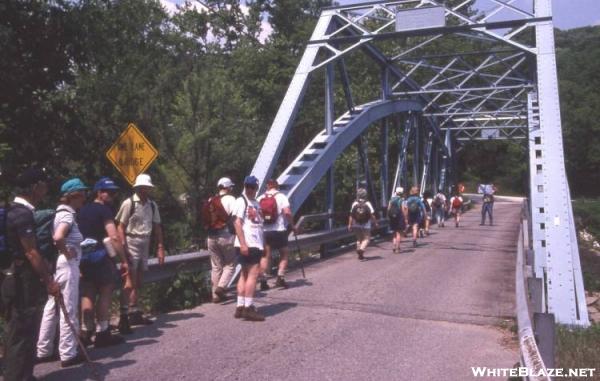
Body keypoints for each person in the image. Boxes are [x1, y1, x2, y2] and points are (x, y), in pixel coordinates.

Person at [2, 168, 60, 380]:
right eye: (43, 185)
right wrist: (49, 281)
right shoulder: (22, 214)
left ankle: (24, 375)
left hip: (13, 276)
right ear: (35, 187)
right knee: (22, 328)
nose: (45, 189)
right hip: (21, 279)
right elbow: (31, 252)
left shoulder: (12, 210)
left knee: (23, 327)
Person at [37, 178, 88, 368]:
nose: (85, 197)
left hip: (57, 265)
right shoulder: (67, 214)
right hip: (67, 264)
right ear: (75, 195)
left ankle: (43, 350)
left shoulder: (59, 212)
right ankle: (68, 354)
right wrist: (68, 253)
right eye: (83, 193)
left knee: (52, 306)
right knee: (69, 307)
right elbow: (58, 237)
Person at [77, 177, 128, 346]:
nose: (112, 196)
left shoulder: (81, 210)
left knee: (88, 293)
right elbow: (113, 236)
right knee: (106, 292)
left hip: (83, 258)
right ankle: (103, 332)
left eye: (114, 193)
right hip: (101, 256)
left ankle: (85, 332)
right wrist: (123, 260)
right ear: (99, 192)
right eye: (110, 192)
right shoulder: (104, 210)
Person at [116, 173, 164, 331]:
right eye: (143, 188)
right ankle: (127, 313)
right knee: (130, 277)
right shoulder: (129, 203)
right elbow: (120, 227)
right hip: (131, 240)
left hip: (145, 241)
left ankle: (134, 310)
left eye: (147, 188)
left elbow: (157, 226)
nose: (145, 190)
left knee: (139, 279)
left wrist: (160, 247)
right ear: (137, 188)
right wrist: (123, 247)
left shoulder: (152, 205)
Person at [233, 175, 265, 321]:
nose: (250, 189)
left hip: (254, 243)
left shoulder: (256, 203)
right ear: (244, 186)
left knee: (244, 275)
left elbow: (259, 225)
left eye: (253, 187)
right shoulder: (241, 201)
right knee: (253, 274)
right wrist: (243, 243)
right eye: (248, 186)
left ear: (257, 188)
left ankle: (240, 306)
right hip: (248, 244)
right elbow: (237, 223)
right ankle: (249, 307)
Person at [258, 179, 297, 290]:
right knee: (284, 254)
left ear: (267, 187)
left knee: (265, 256)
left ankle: (263, 281)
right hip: (279, 230)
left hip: (265, 231)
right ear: (277, 186)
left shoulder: (260, 198)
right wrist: (292, 225)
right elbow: (287, 212)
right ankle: (280, 277)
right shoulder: (281, 197)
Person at [204, 177, 237, 303]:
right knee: (230, 264)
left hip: (211, 237)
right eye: (231, 187)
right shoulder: (231, 199)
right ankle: (221, 287)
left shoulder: (211, 200)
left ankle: (215, 296)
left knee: (216, 267)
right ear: (228, 187)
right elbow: (235, 218)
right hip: (225, 236)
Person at [348, 188, 378, 260]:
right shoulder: (367, 203)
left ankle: (360, 255)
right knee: (367, 239)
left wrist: (349, 224)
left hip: (356, 223)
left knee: (359, 239)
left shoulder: (355, 203)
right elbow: (372, 215)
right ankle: (361, 249)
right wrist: (375, 223)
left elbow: (351, 215)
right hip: (366, 224)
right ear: (365, 195)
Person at [387, 187, 406, 254]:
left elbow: (388, 209)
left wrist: (389, 216)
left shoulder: (391, 200)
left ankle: (394, 246)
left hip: (392, 217)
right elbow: (403, 210)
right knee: (399, 233)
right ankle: (398, 248)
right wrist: (405, 218)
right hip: (399, 217)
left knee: (394, 233)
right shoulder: (401, 200)